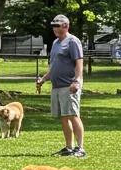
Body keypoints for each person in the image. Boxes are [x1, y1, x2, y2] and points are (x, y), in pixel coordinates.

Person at [36, 13, 85, 157]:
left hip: (69, 86)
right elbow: (54, 67)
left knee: (73, 115)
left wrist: (76, 81)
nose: (55, 29)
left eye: (58, 26)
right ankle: (69, 147)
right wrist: (43, 79)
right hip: (56, 86)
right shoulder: (56, 43)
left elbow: (79, 63)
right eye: (53, 26)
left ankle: (80, 148)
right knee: (63, 117)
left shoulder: (73, 41)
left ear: (66, 26)